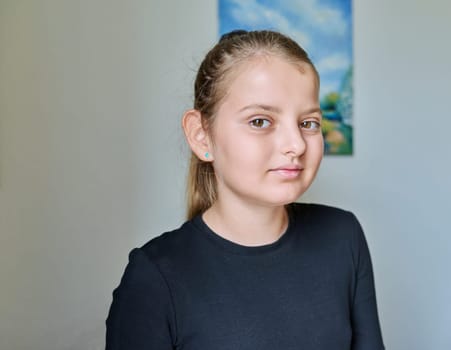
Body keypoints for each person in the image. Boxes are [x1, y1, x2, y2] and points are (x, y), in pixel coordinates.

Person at [105, 29, 385, 350]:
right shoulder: (152, 279)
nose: (295, 144)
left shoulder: (343, 236)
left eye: (308, 123)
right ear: (201, 136)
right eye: (260, 121)